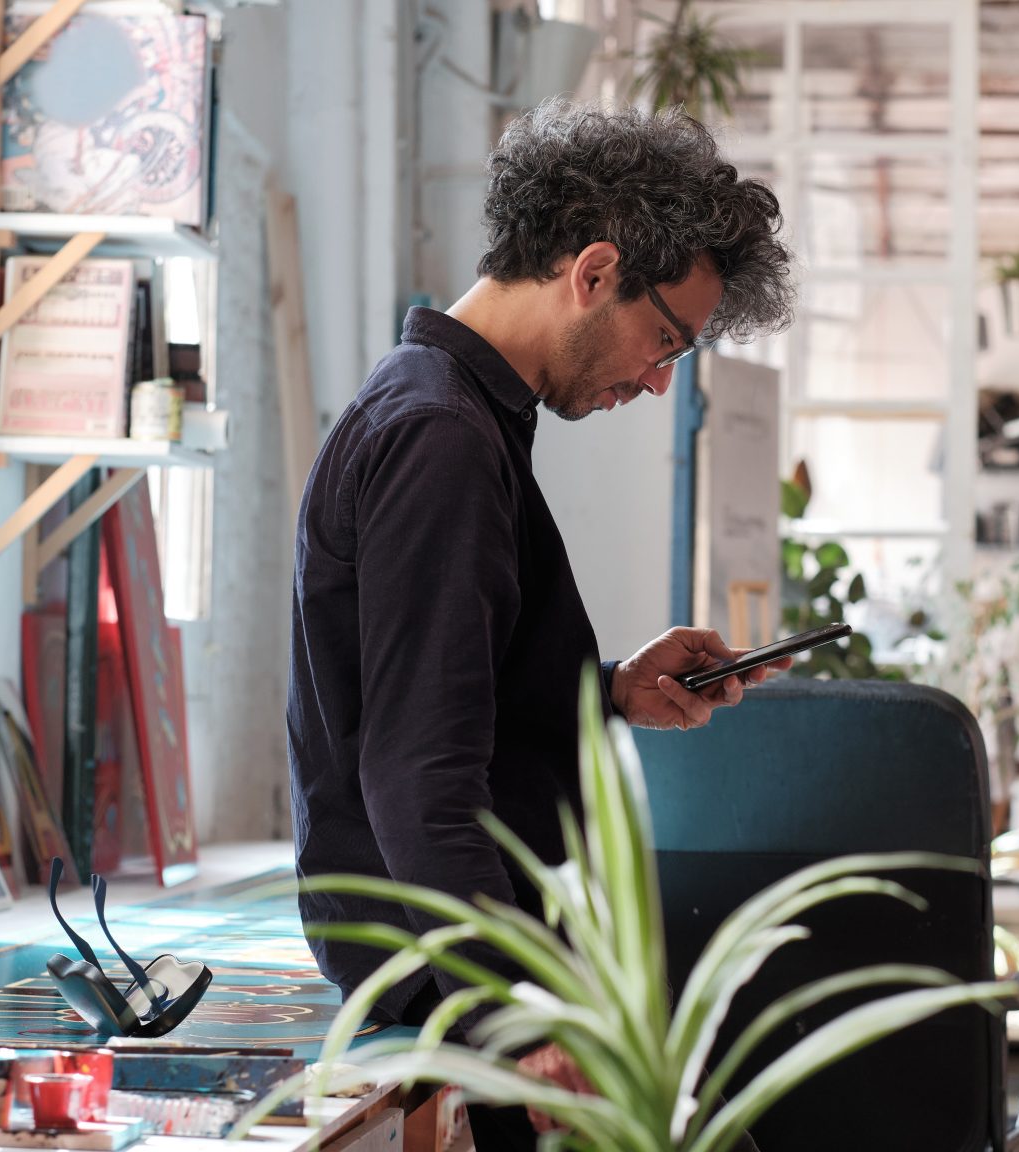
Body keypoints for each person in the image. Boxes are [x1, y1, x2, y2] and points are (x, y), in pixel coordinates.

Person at [287, 100, 795, 1149]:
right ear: (596, 271)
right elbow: (416, 770)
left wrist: (609, 689)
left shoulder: (459, 416)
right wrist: (516, 1019)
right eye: (667, 340)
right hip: (465, 967)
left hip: (486, 948)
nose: (658, 379)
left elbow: (438, 693)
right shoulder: (440, 437)